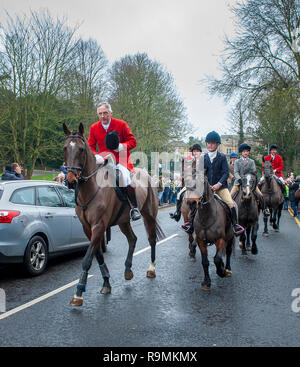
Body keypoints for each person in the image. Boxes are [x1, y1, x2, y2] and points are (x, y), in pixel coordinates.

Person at [182, 131, 244, 236]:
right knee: (194, 202)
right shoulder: (202, 158)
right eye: (208, 143)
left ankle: (234, 226)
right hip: (206, 189)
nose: (210, 145)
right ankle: (191, 224)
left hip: (221, 188)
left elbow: (225, 173)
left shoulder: (222, 157)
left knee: (230, 203)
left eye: (213, 143)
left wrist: (218, 184)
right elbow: (200, 173)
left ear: (217, 144)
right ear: (206, 144)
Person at [88, 102, 141, 221]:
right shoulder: (94, 127)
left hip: (121, 160)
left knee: (125, 177)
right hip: (103, 161)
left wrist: (122, 146)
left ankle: (133, 207)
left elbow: (133, 141)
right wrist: (96, 156)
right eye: (100, 114)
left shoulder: (121, 124)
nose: (103, 116)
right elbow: (90, 145)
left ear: (111, 113)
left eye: (105, 113)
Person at [230, 143, 270, 216]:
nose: (246, 153)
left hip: (249, 182)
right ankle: (229, 211)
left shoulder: (252, 161)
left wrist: (251, 178)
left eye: (247, 151)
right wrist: (239, 179)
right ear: (241, 152)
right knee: (230, 195)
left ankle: (265, 209)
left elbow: (254, 171)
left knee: (260, 195)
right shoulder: (237, 162)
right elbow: (236, 172)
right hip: (239, 182)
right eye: (244, 151)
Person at [169, 143, 202, 221]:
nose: (196, 152)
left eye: (197, 151)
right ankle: (177, 213)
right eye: (194, 151)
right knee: (179, 195)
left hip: (201, 185)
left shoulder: (203, 160)